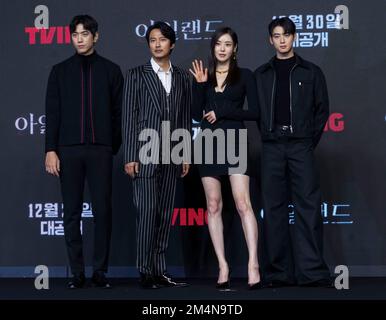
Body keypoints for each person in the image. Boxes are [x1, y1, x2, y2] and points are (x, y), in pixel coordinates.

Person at [45, 14, 123, 288]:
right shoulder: (60, 71)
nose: (79, 39)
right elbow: (52, 115)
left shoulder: (111, 71)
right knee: (71, 212)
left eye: (85, 34)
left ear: (95, 36)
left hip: (101, 150)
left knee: (103, 211)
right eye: (75, 34)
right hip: (68, 151)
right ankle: (77, 272)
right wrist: (51, 150)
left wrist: (110, 146)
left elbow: (118, 114)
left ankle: (100, 271)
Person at [255, 17, 331, 287]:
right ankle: (277, 273)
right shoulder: (261, 74)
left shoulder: (311, 72)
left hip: (301, 144)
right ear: (270, 40)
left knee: (308, 207)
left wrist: (308, 141)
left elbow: (322, 110)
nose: (282, 40)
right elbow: (253, 110)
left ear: (294, 37)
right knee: (272, 209)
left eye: (286, 35)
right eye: (277, 35)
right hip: (272, 145)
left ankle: (312, 273)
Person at [190, 27, 262, 289]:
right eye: (218, 43)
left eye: (228, 44)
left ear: (235, 49)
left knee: (243, 204)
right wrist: (199, 86)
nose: (222, 48)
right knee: (213, 205)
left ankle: (253, 263)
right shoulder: (205, 77)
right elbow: (197, 114)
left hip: (235, 142)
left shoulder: (245, 76)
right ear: (213, 47)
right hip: (208, 144)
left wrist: (221, 111)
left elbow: (254, 113)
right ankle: (223, 265)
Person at [122, 21, 191, 289]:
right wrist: (131, 156)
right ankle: (145, 270)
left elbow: (185, 118)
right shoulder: (136, 75)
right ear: (148, 44)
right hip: (144, 153)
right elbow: (129, 118)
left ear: (171, 44)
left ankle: (160, 270)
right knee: (148, 212)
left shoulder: (183, 77)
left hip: (173, 153)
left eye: (162, 39)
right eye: (152, 40)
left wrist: (185, 154)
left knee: (164, 213)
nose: (157, 44)